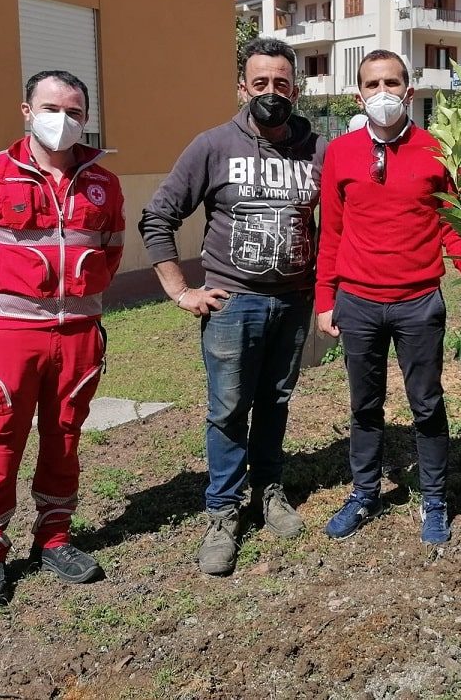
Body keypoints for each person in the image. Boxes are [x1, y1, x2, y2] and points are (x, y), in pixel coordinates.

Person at [139, 38, 326, 577]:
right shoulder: (213, 146)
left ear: (296, 87)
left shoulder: (315, 148)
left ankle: (268, 491)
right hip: (233, 304)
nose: (272, 92)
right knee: (227, 409)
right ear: (242, 88)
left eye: (282, 83)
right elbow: (159, 217)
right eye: (261, 83)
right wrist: (180, 290)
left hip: (292, 302)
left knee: (275, 401)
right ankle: (222, 511)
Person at [0, 70, 125, 609]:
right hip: (11, 339)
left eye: (74, 112)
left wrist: (75, 305)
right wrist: (7, 308)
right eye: (51, 108)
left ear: (86, 119)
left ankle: (53, 540)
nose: (62, 120)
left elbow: (110, 252)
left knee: (64, 437)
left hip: (78, 336)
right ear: (26, 110)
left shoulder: (104, 183)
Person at [316, 49, 461, 545]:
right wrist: (326, 298)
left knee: (427, 404)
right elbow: (332, 232)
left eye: (393, 83)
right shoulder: (340, 152)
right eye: (373, 84)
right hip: (358, 302)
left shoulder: (436, 152)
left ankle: (434, 499)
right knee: (364, 405)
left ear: (410, 92)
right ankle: (364, 493)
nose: (383, 93)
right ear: (358, 94)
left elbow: (453, 224)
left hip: (418, 302)